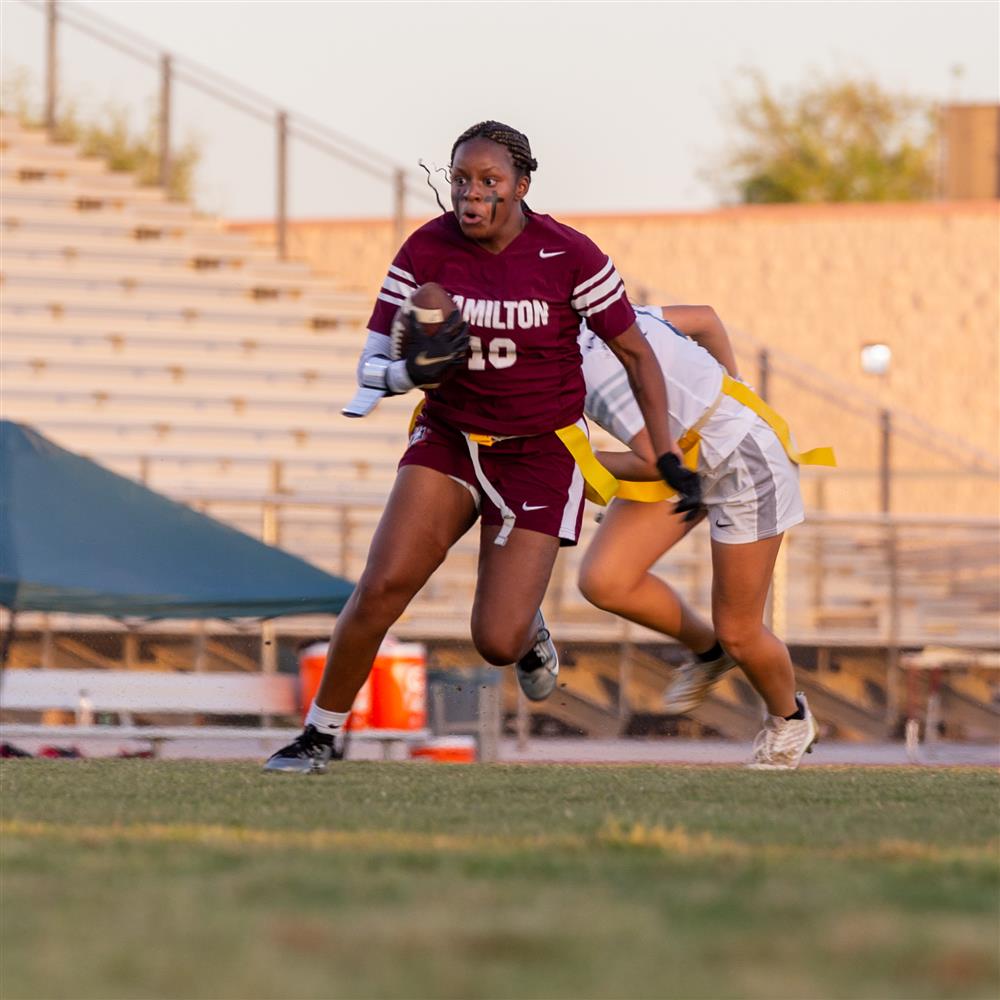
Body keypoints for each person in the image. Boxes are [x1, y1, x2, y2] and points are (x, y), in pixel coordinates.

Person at [265, 121, 700, 773]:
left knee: (494, 640)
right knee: (383, 584)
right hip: (450, 439)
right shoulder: (427, 249)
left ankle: (527, 635)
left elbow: (636, 353)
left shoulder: (569, 254)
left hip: (539, 452)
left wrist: (665, 455)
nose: (470, 194)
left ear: (522, 186)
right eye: (461, 178)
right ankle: (318, 734)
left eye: (489, 181)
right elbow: (369, 367)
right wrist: (413, 373)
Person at [577, 304, 834, 770]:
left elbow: (652, 460)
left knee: (740, 630)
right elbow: (707, 319)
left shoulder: (585, 364)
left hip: (740, 461)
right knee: (605, 581)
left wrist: (567, 465)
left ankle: (790, 717)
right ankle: (707, 650)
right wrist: (729, 385)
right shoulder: (604, 318)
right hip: (679, 454)